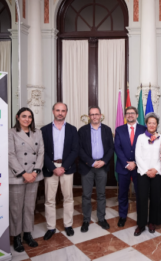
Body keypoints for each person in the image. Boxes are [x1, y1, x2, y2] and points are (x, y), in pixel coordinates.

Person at [41, 102, 79, 240]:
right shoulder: (44, 130)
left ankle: (68, 225)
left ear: (66, 112)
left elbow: (75, 150)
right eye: (58, 110)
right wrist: (53, 168)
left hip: (66, 169)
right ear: (53, 111)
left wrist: (63, 167)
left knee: (68, 199)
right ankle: (51, 227)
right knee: (49, 200)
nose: (60, 113)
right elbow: (41, 152)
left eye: (63, 110)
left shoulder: (72, 129)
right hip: (50, 168)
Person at [8, 107, 44, 252]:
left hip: (33, 176)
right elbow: (10, 154)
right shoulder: (10, 132)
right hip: (18, 176)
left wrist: (35, 172)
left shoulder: (38, 132)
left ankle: (27, 235)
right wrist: (24, 173)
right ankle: (16, 237)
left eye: (29, 117)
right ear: (17, 117)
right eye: (24, 116)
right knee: (16, 208)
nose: (27, 119)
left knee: (29, 207)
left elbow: (41, 151)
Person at [78, 106, 114, 232]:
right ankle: (86, 220)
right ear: (89, 116)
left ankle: (101, 218)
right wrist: (92, 162)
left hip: (102, 167)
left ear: (100, 115)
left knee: (101, 194)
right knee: (86, 195)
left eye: (96, 114)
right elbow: (80, 149)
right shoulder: (82, 130)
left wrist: (103, 161)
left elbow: (111, 148)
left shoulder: (107, 129)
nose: (94, 116)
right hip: (87, 167)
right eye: (92, 114)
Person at [114, 106, 146, 227]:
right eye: (128, 113)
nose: (130, 115)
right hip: (123, 167)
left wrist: (136, 163)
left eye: (132, 113)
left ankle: (141, 217)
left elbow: (146, 149)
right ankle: (122, 216)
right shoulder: (119, 129)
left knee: (140, 193)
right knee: (122, 193)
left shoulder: (144, 129)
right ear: (125, 116)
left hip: (140, 167)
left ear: (137, 115)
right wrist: (127, 163)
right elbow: (117, 147)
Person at [134, 112, 161, 236]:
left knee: (156, 198)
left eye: (154, 123)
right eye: (149, 123)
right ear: (146, 124)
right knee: (142, 198)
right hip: (143, 172)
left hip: (157, 172)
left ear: (157, 125)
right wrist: (147, 170)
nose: (152, 125)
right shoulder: (141, 137)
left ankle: (152, 222)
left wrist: (156, 169)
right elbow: (137, 155)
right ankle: (141, 224)